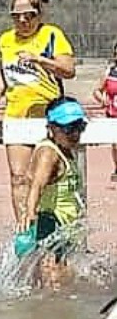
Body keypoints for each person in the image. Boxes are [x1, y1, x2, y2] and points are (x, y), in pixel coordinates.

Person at [0, 0, 76, 223]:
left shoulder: (51, 35)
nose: (23, 20)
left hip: (49, 118)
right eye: (16, 16)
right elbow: (4, 70)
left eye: (29, 15)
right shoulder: (6, 40)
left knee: (45, 177)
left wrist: (40, 60)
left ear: (39, 14)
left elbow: (69, 70)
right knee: (19, 177)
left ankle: (55, 225)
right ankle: (25, 229)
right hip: (16, 116)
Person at [15, 97, 88, 288]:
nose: (75, 134)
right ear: (52, 128)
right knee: (53, 273)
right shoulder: (49, 153)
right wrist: (30, 213)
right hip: (51, 221)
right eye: (69, 128)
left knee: (62, 271)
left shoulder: (65, 148)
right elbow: (37, 185)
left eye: (80, 127)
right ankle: (48, 311)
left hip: (65, 224)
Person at [92, 41, 117, 182]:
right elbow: (96, 90)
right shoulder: (109, 72)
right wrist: (103, 100)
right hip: (113, 114)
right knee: (116, 144)